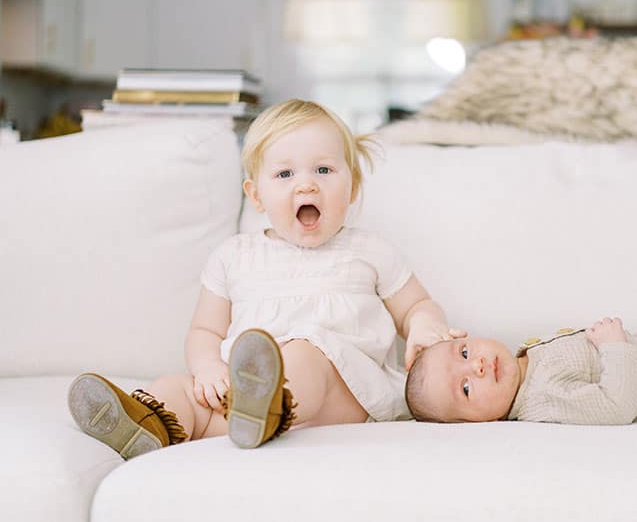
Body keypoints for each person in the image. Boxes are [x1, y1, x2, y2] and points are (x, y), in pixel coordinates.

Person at [68, 99, 462, 458]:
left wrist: (425, 324)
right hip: (238, 402)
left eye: (323, 170)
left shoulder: (370, 252)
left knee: (306, 353)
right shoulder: (233, 257)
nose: (306, 184)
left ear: (352, 186)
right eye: (285, 173)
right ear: (255, 196)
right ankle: (146, 425)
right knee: (178, 388)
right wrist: (208, 369)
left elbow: (415, 305)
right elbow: (205, 330)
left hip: (343, 397)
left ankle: (267, 400)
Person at [404, 298, 637, 424]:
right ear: (478, 422)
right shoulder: (543, 399)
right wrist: (613, 345)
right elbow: (618, 405)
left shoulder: (526, 363)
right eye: (466, 388)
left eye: (464, 353)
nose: (477, 367)